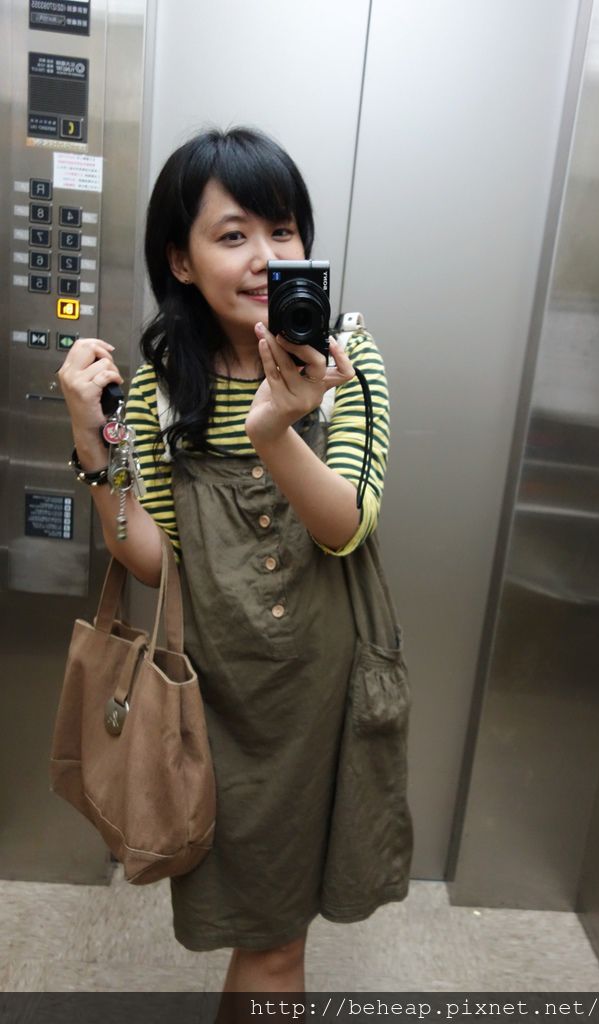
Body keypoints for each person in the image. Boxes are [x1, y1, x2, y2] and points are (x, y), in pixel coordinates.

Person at [58, 126, 412, 993]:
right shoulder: (159, 383)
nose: (265, 257)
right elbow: (152, 561)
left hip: (325, 688)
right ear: (181, 261)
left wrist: (276, 429)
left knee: (277, 944)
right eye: (233, 234)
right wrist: (92, 442)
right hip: (213, 692)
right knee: (265, 935)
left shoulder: (346, 355)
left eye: (282, 230)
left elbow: (346, 526)